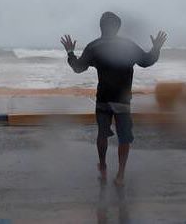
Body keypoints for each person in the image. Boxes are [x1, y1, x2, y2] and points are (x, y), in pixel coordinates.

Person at [61, 11, 167, 186]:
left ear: (101, 27)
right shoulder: (128, 46)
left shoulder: (94, 47)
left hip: (103, 99)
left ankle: (102, 167)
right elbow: (147, 61)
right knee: (124, 137)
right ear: (118, 27)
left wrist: (71, 52)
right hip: (122, 100)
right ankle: (120, 175)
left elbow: (78, 68)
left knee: (102, 134)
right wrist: (156, 48)